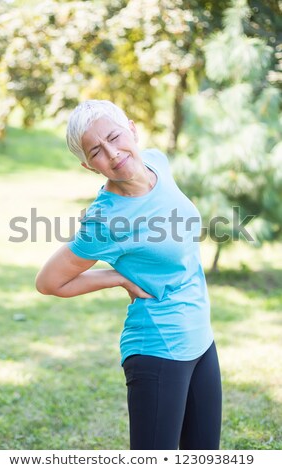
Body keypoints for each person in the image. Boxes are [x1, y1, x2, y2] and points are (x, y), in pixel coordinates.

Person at [35, 99, 222, 450]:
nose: (114, 153)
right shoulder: (105, 219)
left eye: (114, 137)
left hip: (200, 337)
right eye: (97, 151)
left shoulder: (156, 162)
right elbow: (49, 282)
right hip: (158, 347)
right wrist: (116, 277)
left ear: (132, 130)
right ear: (90, 166)